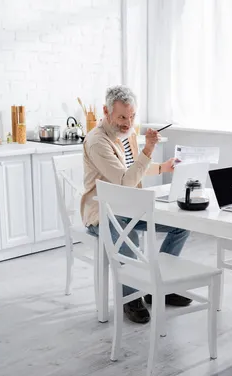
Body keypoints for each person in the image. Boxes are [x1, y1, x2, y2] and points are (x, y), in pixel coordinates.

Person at [81, 85, 192, 324]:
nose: (127, 122)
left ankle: (157, 286)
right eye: (122, 117)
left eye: (132, 116)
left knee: (181, 226)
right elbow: (125, 180)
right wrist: (150, 149)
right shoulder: (97, 141)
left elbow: (133, 171)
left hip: (131, 206)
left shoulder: (129, 133)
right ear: (106, 112)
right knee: (129, 235)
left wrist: (162, 167)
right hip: (103, 211)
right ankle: (131, 298)